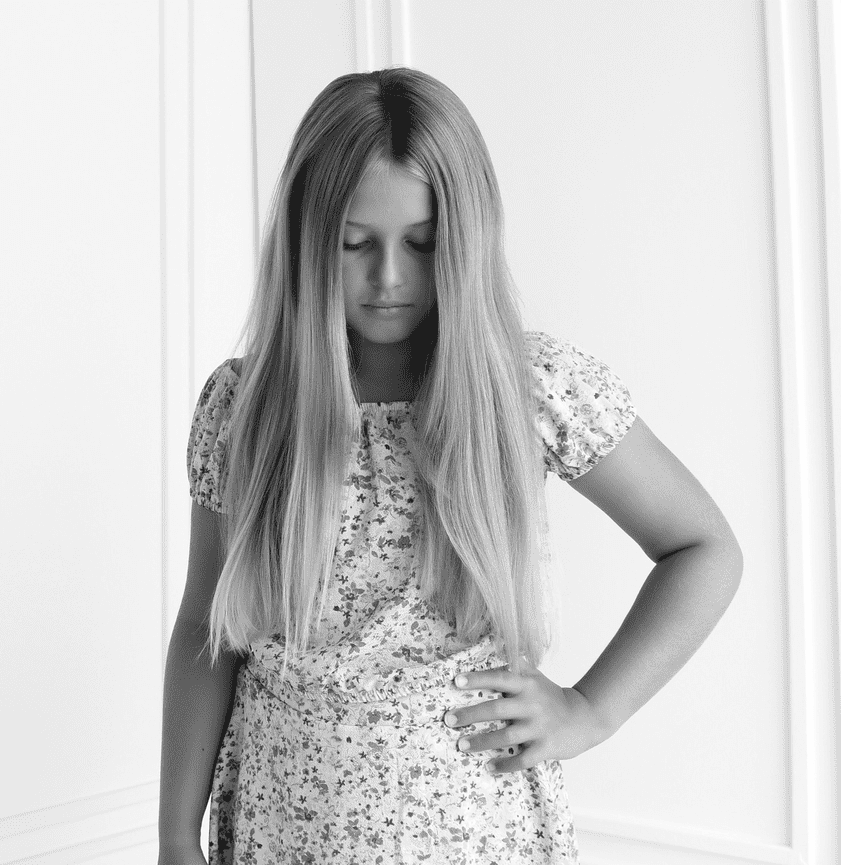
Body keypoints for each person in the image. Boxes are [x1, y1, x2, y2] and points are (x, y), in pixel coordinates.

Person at [156, 66, 743, 865]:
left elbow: (703, 549)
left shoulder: (524, 389)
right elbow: (206, 624)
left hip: (473, 831)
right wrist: (172, 836)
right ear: (304, 240)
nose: (389, 277)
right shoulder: (245, 406)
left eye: (422, 245)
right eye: (355, 243)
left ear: (461, 240)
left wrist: (590, 711)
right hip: (278, 829)